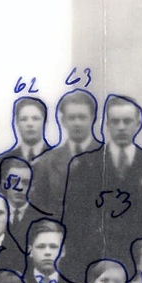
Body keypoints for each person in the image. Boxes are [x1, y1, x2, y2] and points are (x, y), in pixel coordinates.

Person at [60, 94, 142, 280]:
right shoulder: (85, 164)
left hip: (138, 263)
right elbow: (73, 221)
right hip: (96, 262)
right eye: (115, 121)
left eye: (127, 121)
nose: (121, 127)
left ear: (138, 123)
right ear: (107, 125)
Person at [30, 90, 100, 220]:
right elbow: (38, 207)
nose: (77, 123)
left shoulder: (106, 157)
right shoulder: (46, 162)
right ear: (63, 121)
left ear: (92, 118)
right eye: (72, 118)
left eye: (82, 117)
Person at [0, 95, 52, 163]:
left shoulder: (59, 159)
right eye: (24, 119)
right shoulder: (2, 162)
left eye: (35, 118)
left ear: (45, 122)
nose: (30, 124)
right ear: (17, 123)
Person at [0, 157, 37, 249]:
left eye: (25, 182)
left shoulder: (42, 217)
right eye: (14, 181)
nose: (19, 187)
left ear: (33, 186)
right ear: (4, 184)